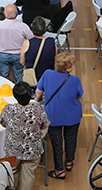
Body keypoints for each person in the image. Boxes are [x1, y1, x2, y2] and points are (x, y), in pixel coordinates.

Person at [0, 81, 49, 190]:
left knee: (12, 171)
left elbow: (2, 122)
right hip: (33, 150)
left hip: (13, 149)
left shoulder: (8, 109)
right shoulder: (38, 110)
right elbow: (45, 124)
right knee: (28, 174)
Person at [35, 52, 83, 180]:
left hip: (53, 116)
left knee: (56, 144)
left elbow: (38, 92)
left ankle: (59, 170)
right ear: (68, 69)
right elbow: (79, 95)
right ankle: (69, 162)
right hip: (72, 116)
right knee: (71, 139)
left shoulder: (47, 74)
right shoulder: (75, 80)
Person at [0, 3, 33, 83]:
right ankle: (18, 93)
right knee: (19, 77)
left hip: (3, 55)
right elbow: (31, 39)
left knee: (3, 78)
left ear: (4, 14)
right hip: (19, 55)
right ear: (17, 14)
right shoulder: (23, 26)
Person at [20, 17, 56, 87]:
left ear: (32, 28)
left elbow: (22, 61)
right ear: (45, 29)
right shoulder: (51, 42)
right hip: (48, 75)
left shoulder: (27, 43)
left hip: (33, 77)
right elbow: (55, 58)